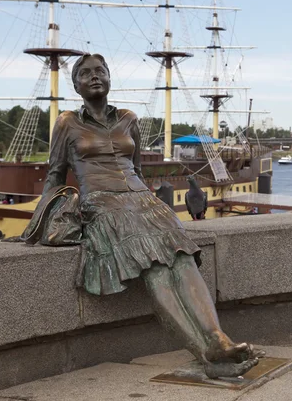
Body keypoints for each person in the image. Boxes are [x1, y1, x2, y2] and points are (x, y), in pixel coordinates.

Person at [39, 53, 260, 379]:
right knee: (156, 268)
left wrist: (148, 201)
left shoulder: (129, 119)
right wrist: (43, 218)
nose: (95, 76)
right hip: (102, 204)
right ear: (76, 85)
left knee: (182, 258)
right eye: (86, 73)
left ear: (110, 77)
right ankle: (204, 352)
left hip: (143, 201)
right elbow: (55, 177)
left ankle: (217, 339)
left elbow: (138, 169)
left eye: (101, 70)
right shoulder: (67, 123)